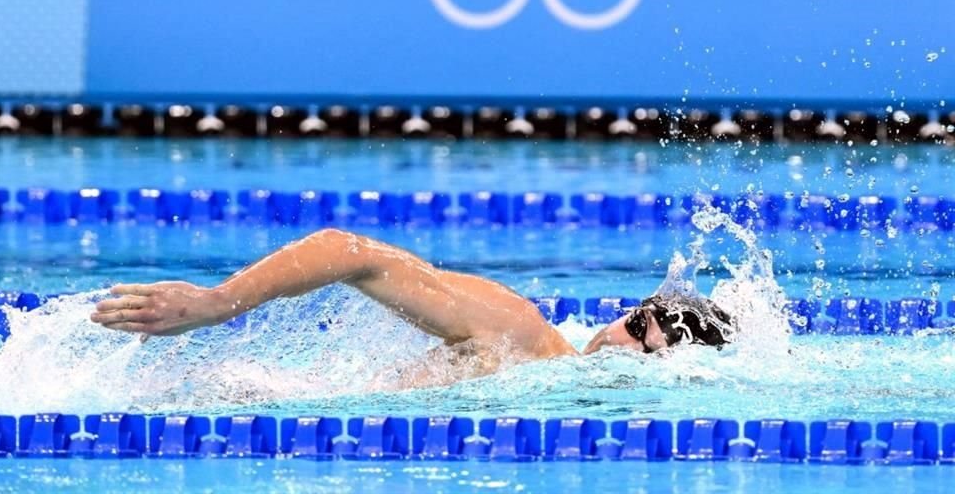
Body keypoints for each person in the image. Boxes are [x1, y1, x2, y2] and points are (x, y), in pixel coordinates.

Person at [91, 228, 734, 378]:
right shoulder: (524, 335)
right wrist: (217, 302)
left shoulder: (546, 371)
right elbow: (350, 250)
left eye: (644, 329)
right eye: (637, 315)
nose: (624, 328)